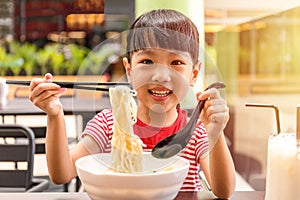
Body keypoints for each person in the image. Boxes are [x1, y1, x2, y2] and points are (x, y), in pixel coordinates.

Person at [29, 9, 235, 198]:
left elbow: (223, 191)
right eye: (147, 61)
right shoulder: (108, 125)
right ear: (129, 70)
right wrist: (55, 115)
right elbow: (62, 174)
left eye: (176, 63)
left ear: (194, 74)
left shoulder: (196, 132)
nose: (161, 76)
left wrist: (215, 131)